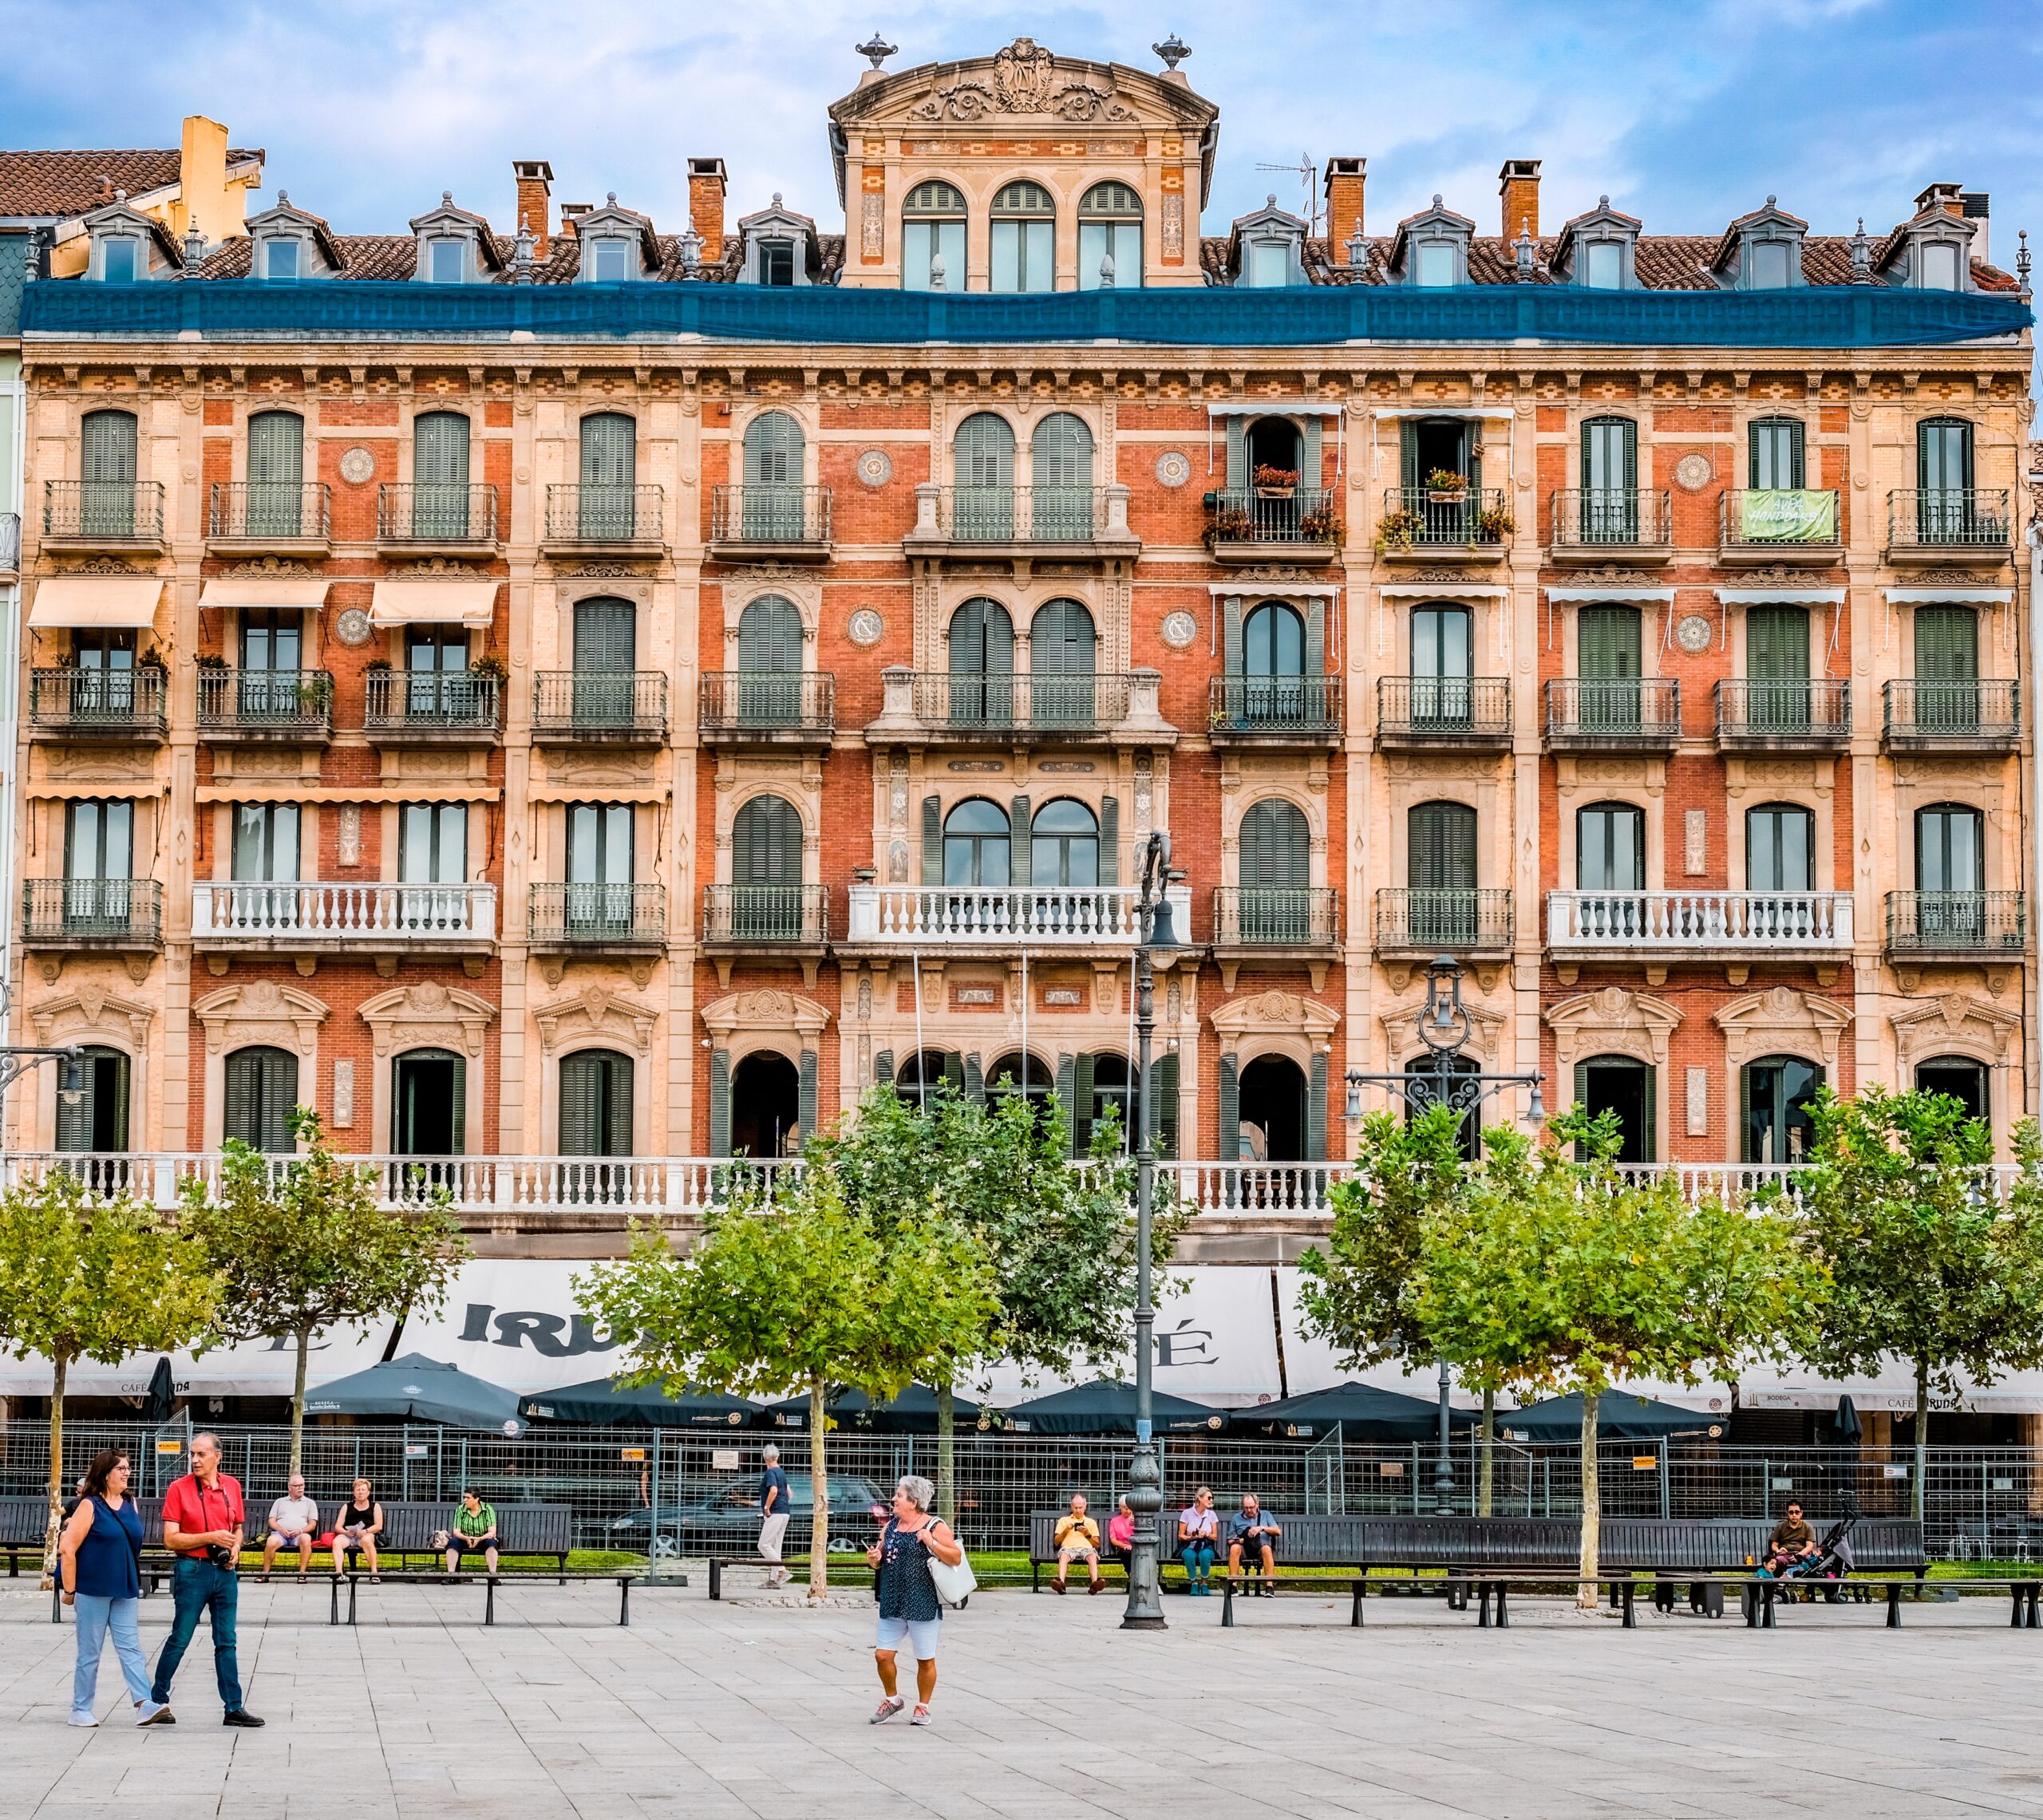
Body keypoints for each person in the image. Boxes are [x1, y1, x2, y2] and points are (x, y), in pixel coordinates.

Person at [146, 1431, 263, 1727]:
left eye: (201, 1454)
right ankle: (157, 1700)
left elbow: (237, 1529)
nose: (195, 1460)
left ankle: (233, 1708)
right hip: (192, 1569)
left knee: (227, 1641)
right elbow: (170, 1540)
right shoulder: (179, 1488)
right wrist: (210, 1537)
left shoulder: (232, 1486)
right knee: (181, 1636)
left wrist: (235, 1547)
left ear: (217, 1456)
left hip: (225, 1572)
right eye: (192, 1454)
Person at [58, 1449, 164, 1727]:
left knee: (131, 1647)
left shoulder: (132, 1503)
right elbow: (67, 1549)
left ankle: (144, 1704)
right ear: (105, 1474)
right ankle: (80, 1709)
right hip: (93, 1587)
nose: (127, 1473)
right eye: (121, 1469)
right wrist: (69, 1590)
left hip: (125, 1585)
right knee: (90, 1651)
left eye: (128, 1468)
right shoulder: (89, 1506)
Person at [864, 1474, 962, 1729]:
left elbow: (955, 1558)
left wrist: (931, 1542)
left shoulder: (935, 1526)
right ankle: (892, 1699)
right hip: (893, 1598)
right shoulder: (891, 1526)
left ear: (914, 1501)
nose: (894, 1499)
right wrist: (874, 1559)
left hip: (922, 1601)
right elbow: (881, 1556)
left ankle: (923, 1706)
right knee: (882, 1655)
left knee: (925, 1659)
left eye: (899, 1495)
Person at [260, 1474, 322, 1582]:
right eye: (297, 1485)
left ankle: (302, 1574)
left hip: (299, 1534)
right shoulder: (280, 1502)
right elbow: (271, 1520)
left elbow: (312, 1524)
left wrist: (300, 1531)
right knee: (271, 1541)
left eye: (302, 1485)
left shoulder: (310, 1503)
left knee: (306, 1539)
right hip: (280, 1534)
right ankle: (265, 1574)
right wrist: (281, 1530)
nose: (301, 1488)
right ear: (290, 1487)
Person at [1227, 1492, 1282, 1596]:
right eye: (1246, 1507)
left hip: (1260, 1548)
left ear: (1257, 1504)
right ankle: (1233, 1585)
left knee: (1266, 1549)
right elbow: (1230, 1540)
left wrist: (1262, 1528)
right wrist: (1237, 1540)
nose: (1249, 1510)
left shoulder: (1266, 1515)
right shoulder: (1236, 1518)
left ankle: (1269, 1587)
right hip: (1244, 1549)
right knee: (1234, 1548)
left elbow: (1278, 1531)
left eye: (1251, 1507)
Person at [1049, 1491, 1104, 1595]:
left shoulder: (1090, 1522)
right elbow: (1056, 1542)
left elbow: (1097, 1544)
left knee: (1092, 1556)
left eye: (1081, 1508)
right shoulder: (1064, 1521)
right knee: (1064, 1556)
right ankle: (1061, 1584)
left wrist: (1087, 1533)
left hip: (1087, 1549)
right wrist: (1066, 1530)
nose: (1078, 1510)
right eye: (1076, 1508)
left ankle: (1094, 1584)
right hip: (1068, 1548)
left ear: (1085, 1506)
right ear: (1071, 1507)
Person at [331, 1478, 382, 1581]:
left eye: (363, 1490)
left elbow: (378, 1526)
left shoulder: (375, 1506)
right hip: (349, 1535)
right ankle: (339, 1574)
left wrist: (366, 1531)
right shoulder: (346, 1506)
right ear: (354, 1492)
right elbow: (338, 1527)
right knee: (337, 1542)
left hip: (366, 1534)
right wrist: (346, 1532)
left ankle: (374, 1573)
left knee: (367, 1540)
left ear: (368, 1492)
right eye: (358, 1490)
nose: (360, 1493)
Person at [757, 1443, 792, 1589]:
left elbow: (773, 1490)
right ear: (777, 1456)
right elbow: (789, 1493)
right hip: (785, 1511)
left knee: (763, 1545)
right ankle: (773, 1580)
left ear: (765, 1457)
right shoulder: (781, 1472)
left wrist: (767, 1507)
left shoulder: (770, 1473)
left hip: (775, 1512)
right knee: (775, 1547)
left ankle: (782, 1570)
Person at [445, 1489, 499, 1577]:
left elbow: (492, 1532)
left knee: (491, 1543)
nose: (465, 1500)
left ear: (476, 1499)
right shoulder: (460, 1509)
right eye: (464, 1497)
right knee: (453, 1542)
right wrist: (467, 1538)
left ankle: (493, 1576)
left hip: (482, 1539)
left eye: (468, 1498)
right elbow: (456, 1532)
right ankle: (451, 1575)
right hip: (465, 1539)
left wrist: (479, 1539)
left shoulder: (488, 1509)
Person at [1759, 1502, 1819, 1577]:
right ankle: (1777, 1583)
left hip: (1802, 1554)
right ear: (1787, 1513)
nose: (1794, 1515)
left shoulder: (1808, 1527)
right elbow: (1774, 1545)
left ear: (1801, 1513)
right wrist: (1778, 1551)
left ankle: (1809, 1587)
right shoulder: (1780, 1527)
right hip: (1785, 1554)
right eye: (1791, 1512)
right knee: (1777, 1560)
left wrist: (1799, 1555)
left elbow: (1810, 1546)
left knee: (1813, 1561)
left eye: (1797, 1512)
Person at [1178, 1485, 1219, 1594]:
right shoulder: (1187, 1513)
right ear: (1199, 1498)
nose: (1211, 1500)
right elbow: (1181, 1535)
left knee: (1205, 1555)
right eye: (1208, 1498)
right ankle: (1194, 1584)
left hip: (1206, 1546)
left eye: (1212, 1498)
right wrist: (1192, 1537)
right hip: (1190, 1545)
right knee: (1188, 1555)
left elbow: (1215, 1536)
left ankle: (1204, 1583)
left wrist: (1206, 1534)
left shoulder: (1212, 1515)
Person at [1106, 1495, 1135, 1565]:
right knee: (1127, 1553)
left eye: (1130, 1509)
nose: (1128, 1511)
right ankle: (1131, 1573)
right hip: (1122, 1548)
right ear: (1120, 1507)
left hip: (1136, 1546)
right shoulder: (1114, 1521)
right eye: (1126, 1509)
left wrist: (1135, 1525)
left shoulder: (1136, 1520)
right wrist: (1125, 1546)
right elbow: (1113, 1540)